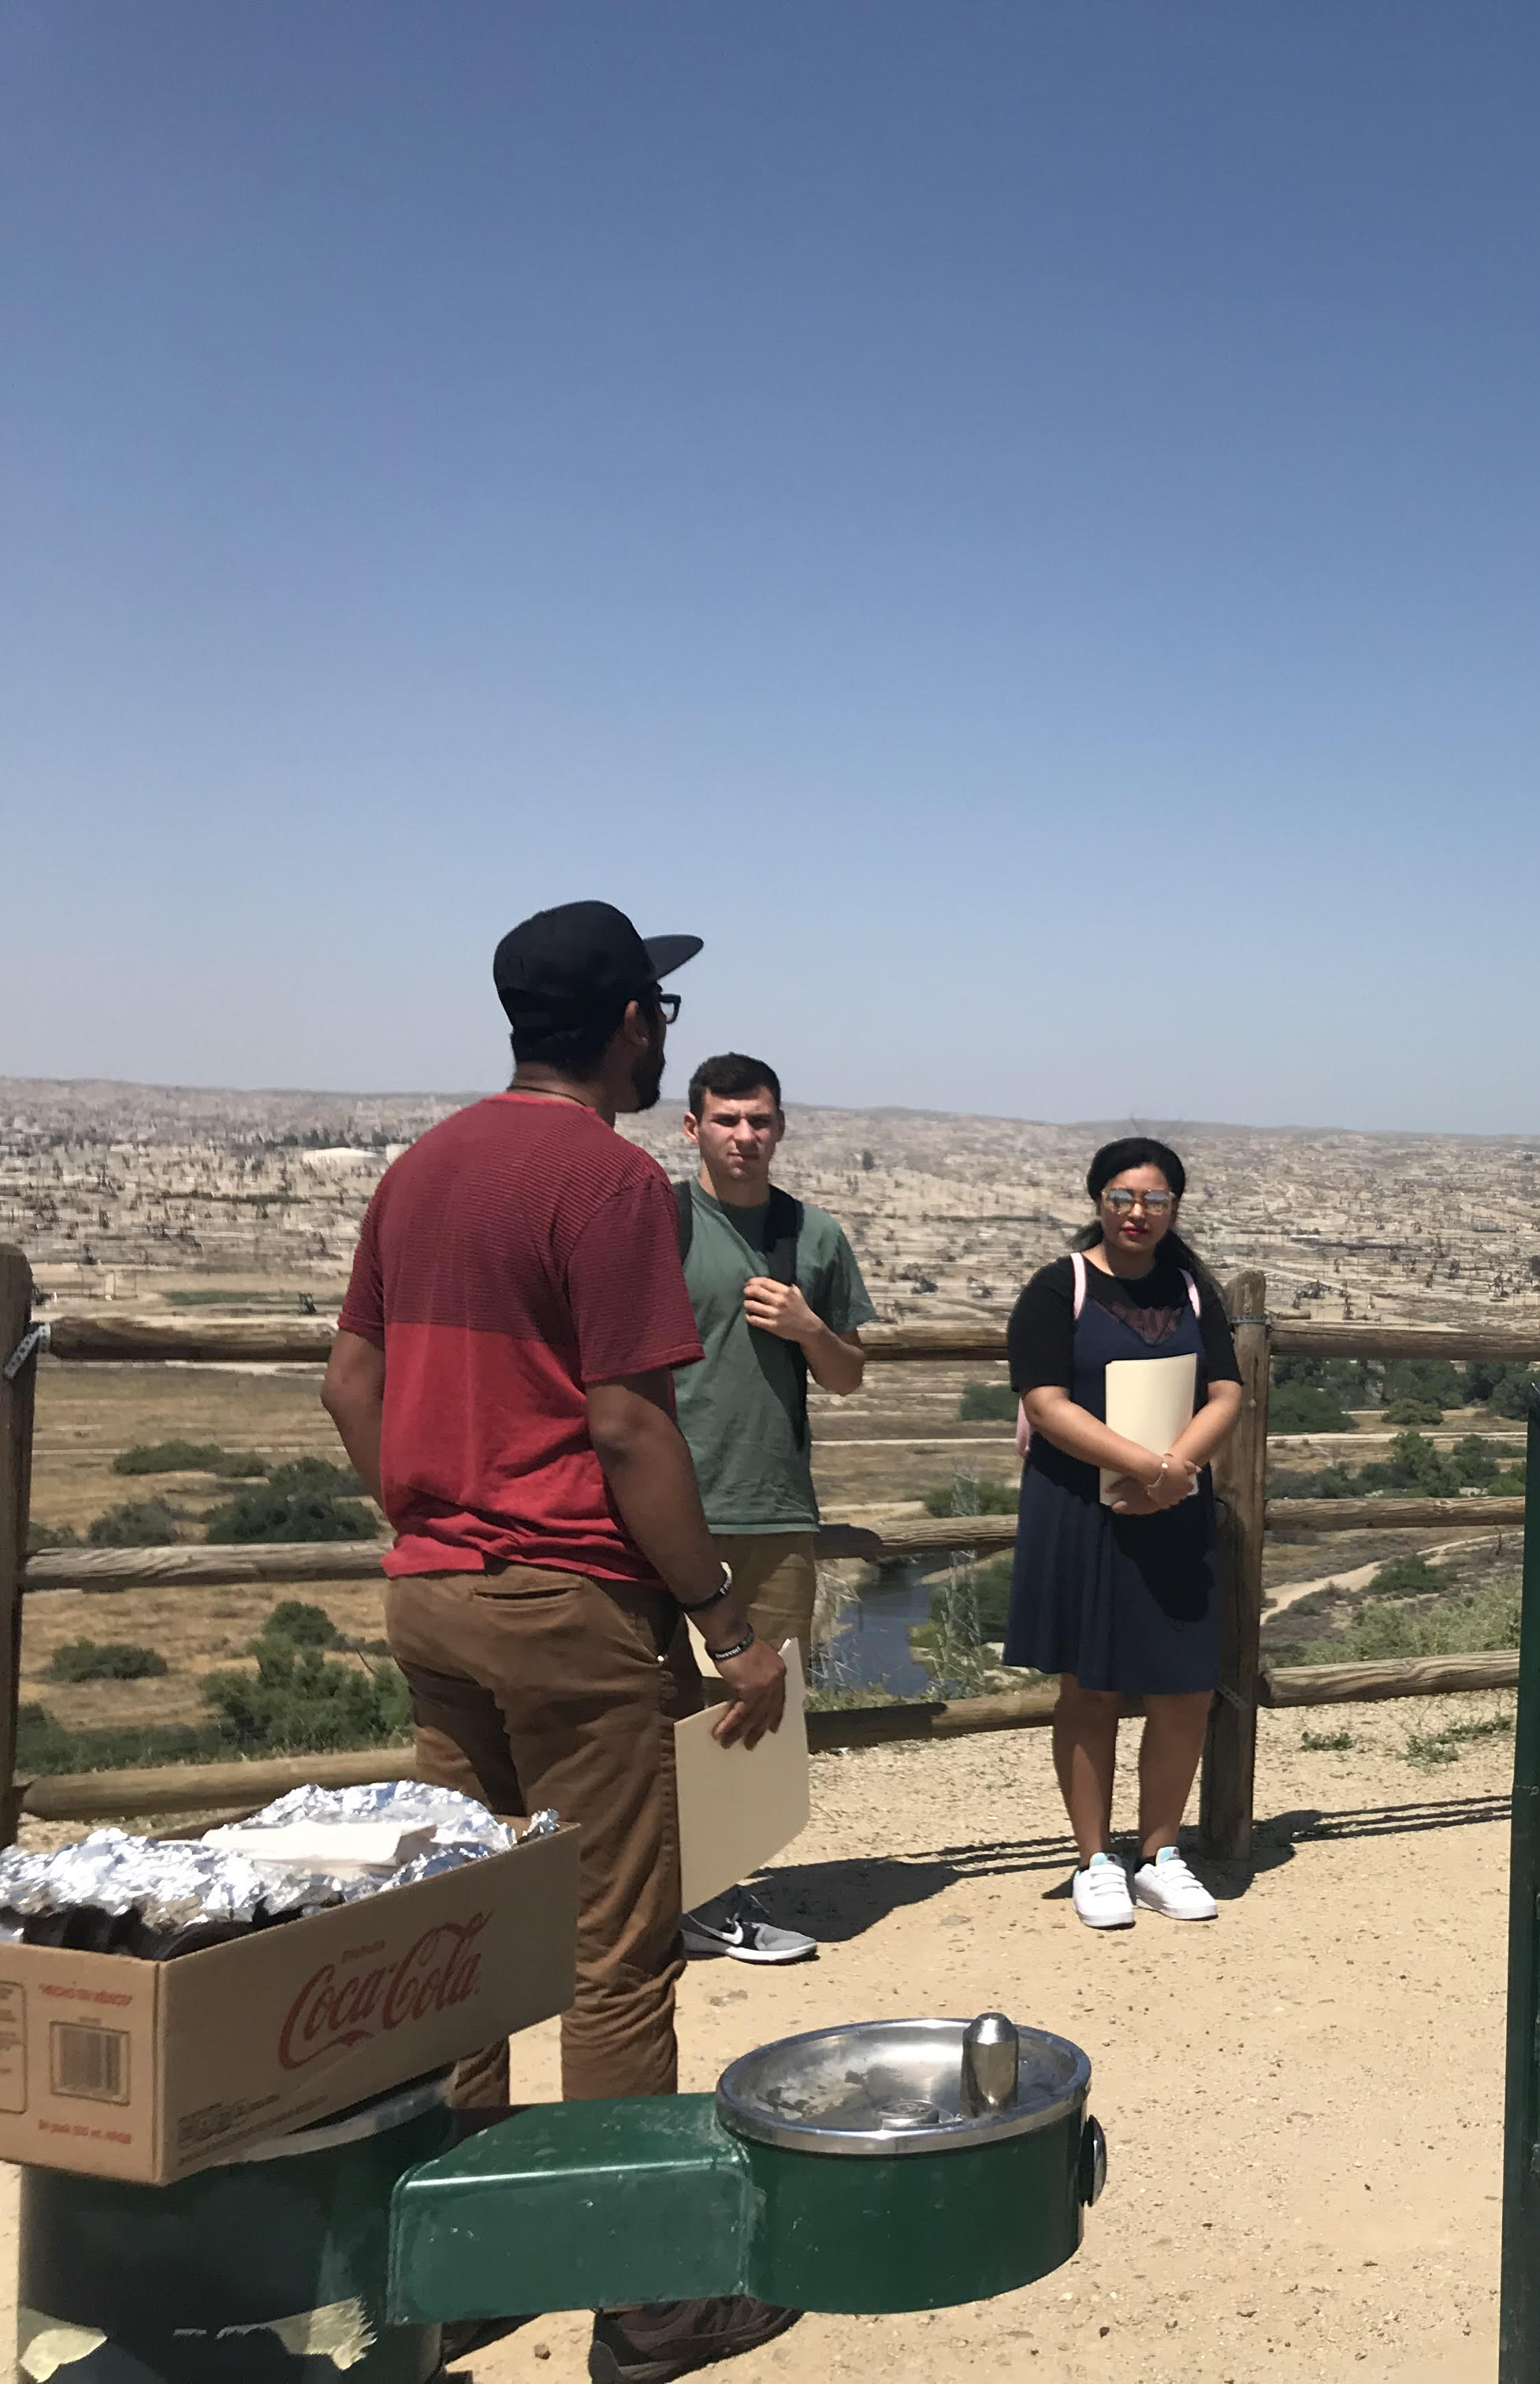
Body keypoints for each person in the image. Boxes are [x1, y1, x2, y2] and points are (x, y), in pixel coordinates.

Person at [321, 900, 796, 2383]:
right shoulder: (604, 1181)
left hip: (434, 1590)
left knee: (468, 1933)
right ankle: (645, 2295)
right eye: (654, 1008)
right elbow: (628, 1424)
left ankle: (461, 2274)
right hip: (567, 1602)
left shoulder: (422, 1166)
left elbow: (352, 1379)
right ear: (626, 1024)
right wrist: (722, 1616)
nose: (661, 1027)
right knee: (612, 1948)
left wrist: (433, 1509)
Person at [1004, 1138, 1244, 1931]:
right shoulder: (1057, 1287)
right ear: (1097, 1201)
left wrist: (1174, 1471)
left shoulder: (1193, 1291)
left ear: (1175, 1207)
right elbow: (1045, 1403)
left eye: (1154, 1200)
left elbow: (1226, 1393)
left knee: (1184, 1689)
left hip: (1172, 1511)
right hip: (1081, 1510)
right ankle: (1093, 1860)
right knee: (1091, 1687)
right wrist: (1148, 1464)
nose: (1137, 1213)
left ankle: (1159, 1854)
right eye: (1122, 1197)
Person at [669, 1052, 876, 1966]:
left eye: (759, 1121)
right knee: (659, 1707)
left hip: (774, 1508)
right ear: (693, 1128)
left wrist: (807, 1328)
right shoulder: (658, 1227)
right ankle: (675, 1894)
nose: (744, 1137)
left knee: (756, 1705)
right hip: (664, 1508)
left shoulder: (815, 1237)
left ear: (781, 1128)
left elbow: (847, 1375)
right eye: (726, 1120)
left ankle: (718, 1895)